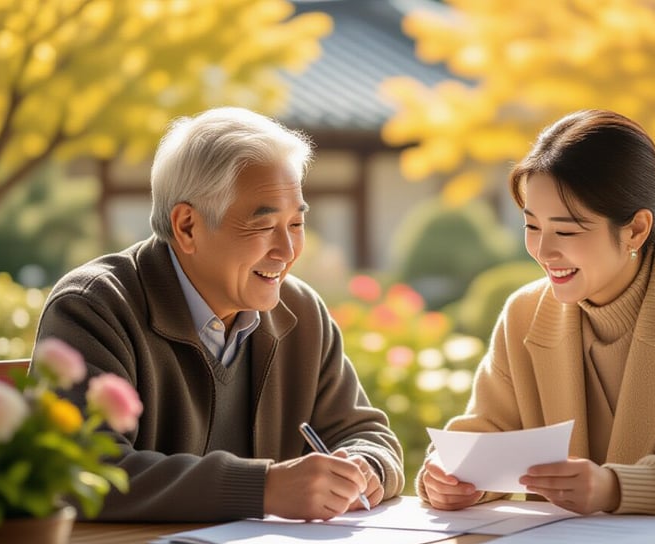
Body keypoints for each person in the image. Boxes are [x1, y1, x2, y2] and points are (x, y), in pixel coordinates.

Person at [418, 109, 655, 517]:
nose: (543, 252)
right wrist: (451, 478)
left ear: (635, 229)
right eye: (531, 226)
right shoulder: (524, 313)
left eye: (565, 230)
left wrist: (618, 488)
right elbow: (486, 435)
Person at [34, 107, 404, 522]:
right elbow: (81, 472)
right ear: (188, 226)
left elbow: (367, 435)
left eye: (296, 224)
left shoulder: (300, 311)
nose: (287, 251)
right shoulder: (94, 307)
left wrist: (365, 468)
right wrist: (263, 488)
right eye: (264, 226)